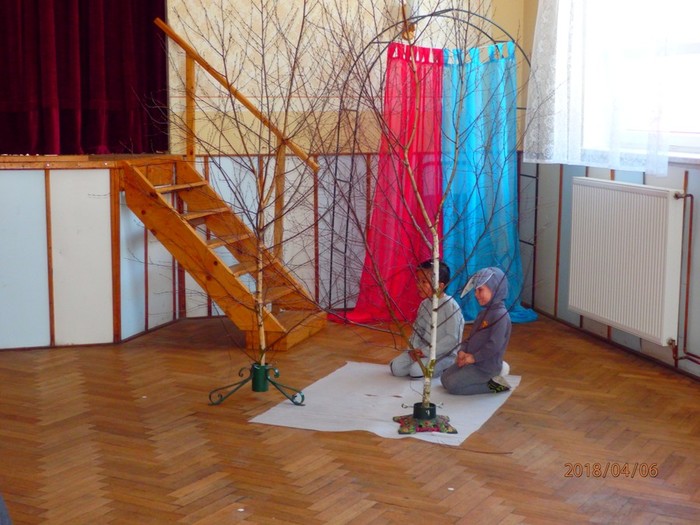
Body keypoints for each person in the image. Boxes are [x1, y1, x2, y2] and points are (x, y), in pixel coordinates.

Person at [441, 266, 512, 395]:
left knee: (452, 386)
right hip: (472, 362)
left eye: (480, 290)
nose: (476, 294)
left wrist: (474, 358)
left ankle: (496, 385)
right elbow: (471, 338)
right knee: (444, 379)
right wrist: (462, 351)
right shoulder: (482, 314)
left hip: (486, 368)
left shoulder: (500, 316)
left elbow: (494, 345)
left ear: (495, 289)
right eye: (475, 290)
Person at [390, 259, 465, 379]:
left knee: (416, 371)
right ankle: (420, 363)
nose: (418, 285)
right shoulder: (424, 304)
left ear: (440, 286)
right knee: (396, 367)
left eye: (424, 281)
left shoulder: (451, 306)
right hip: (422, 350)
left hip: (442, 353)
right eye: (418, 281)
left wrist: (426, 352)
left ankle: (447, 366)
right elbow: (417, 330)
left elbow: (452, 339)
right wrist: (413, 349)